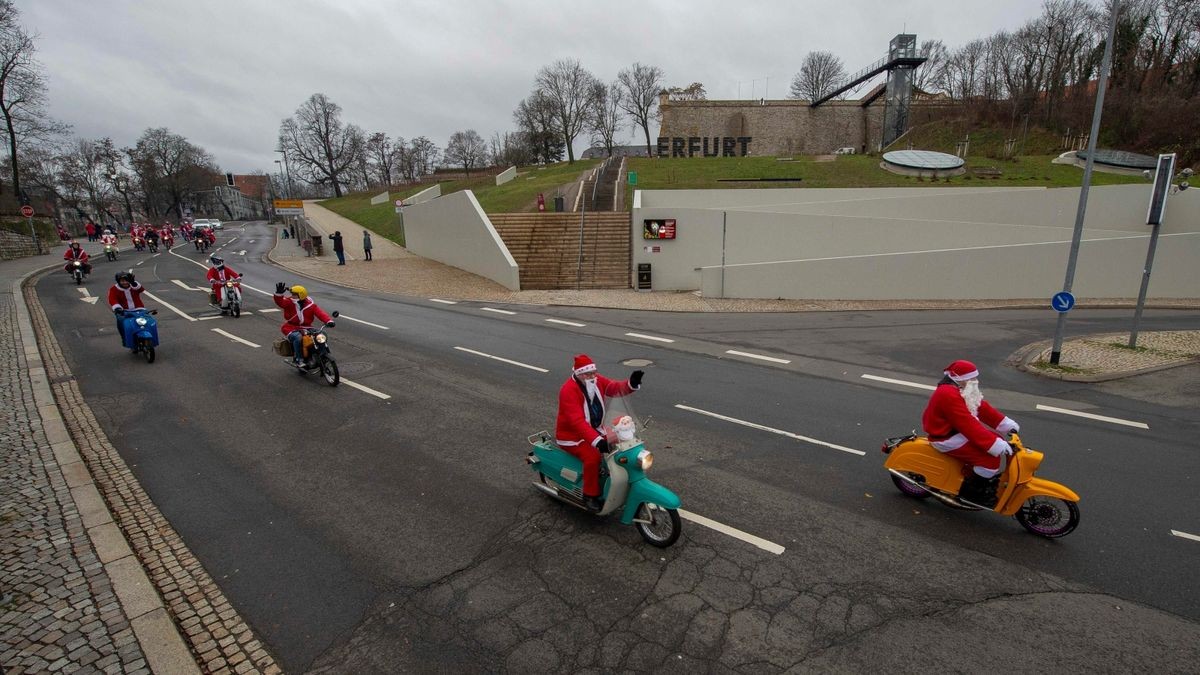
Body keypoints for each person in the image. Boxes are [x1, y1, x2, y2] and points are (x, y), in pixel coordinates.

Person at [922, 360, 1020, 507]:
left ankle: (970, 476)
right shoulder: (948, 394)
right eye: (972, 378)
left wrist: (1005, 425)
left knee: (996, 441)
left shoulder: (960, 389)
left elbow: (980, 406)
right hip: (946, 437)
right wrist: (994, 444)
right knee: (989, 461)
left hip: (954, 432)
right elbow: (967, 423)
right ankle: (971, 493)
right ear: (959, 378)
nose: (975, 381)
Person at [555, 354, 643, 512]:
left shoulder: (596, 380)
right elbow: (577, 422)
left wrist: (631, 384)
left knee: (622, 439)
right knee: (592, 457)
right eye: (589, 374)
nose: (593, 376)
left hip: (595, 430)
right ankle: (590, 495)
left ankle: (620, 477)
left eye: (594, 372)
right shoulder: (568, 390)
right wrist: (598, 441)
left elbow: (614, 388)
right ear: (579, 374)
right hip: (572, 437)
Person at [272, 283, 334, 364]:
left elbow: (320, 313)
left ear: (301, 295)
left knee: (322, 333)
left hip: (306, 327)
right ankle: (299, 359)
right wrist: (279, 294)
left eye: (294, 294)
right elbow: (280, 303)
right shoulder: (289, 302)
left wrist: (329, 321)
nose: (292, 296)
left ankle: (322, 353)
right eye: (292, 294)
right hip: (290, 327)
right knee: (298, 338)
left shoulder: (311, 305)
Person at [108, 271, 147, 346]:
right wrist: (117, 308)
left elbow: (141, 289)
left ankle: (147, 335)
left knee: (148, 320)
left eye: (127, 280)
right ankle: (125, 338)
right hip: (123, 311)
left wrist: (133, 282)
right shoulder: (114, 289)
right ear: (118, 281)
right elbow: (112, 299)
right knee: (121, 321)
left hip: (138, 309)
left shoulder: (133, 286)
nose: (125, 282)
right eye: (122, 281)